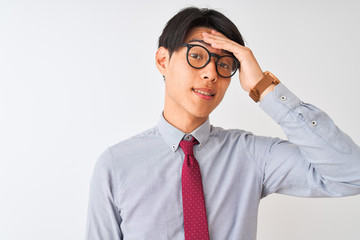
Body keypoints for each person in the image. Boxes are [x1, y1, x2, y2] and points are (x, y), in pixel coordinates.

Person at [85, 7, 360, 240]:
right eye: (196, 56)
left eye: (225, 64)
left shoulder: (251, 155)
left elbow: (352, 174)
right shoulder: (116, 165)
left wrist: (263, 88)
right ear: (162, 60)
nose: (210, 74)